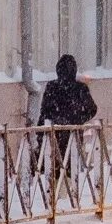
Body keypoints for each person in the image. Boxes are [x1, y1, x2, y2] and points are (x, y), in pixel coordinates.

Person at [38, 54, 98, 193]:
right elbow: (92, 109)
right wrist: (78, 119)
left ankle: (55, 195)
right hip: (73, 133)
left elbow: (45, 111)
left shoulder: (52, 87)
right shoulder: (80, 88)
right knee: (71, 165)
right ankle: (70, 194)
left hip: (55, 133)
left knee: (54, 166)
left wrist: (42, 132)